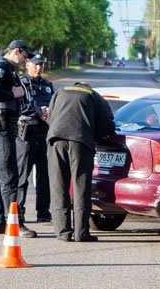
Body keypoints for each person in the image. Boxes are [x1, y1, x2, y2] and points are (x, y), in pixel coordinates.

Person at [47, 80, 115, 242]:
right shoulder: (94, 95)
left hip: (56, 140)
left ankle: (62, 232)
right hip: (80, 141)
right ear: (87, 87)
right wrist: (96, 135)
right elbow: (107, 125)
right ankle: (81, 233)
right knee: (80, 186)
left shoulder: (60, 91)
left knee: (58, 186)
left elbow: (50, 117)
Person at [0, 40, 36, 237]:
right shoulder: (2, 67)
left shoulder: (6, 68)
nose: (25, 61)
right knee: (9, 175)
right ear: (16, 51)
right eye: (24, 56)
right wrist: (14, 93)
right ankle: (15, 223)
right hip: (1, 124)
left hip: (1, 124)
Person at [15, 54, 54, 224]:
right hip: (27, 133)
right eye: (35, 64)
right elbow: (20, 106)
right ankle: (18, 211)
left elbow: (54, 104)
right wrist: (39, 112)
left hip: (44, 133)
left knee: (44, 175)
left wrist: (49, 112)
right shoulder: (20, 83)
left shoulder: (47, 85)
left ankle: (43, 211)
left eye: (41, 65)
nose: (38, 68)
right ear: (27, 65)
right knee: (22, 175)